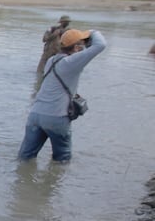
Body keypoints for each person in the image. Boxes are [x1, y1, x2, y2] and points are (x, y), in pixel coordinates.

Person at [18, 28, 107, 162]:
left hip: (35, 115)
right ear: (77, 48)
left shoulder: (51, 61)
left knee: (25, 158)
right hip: (57, 118)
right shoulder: (71, 63)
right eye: (81, 45)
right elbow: (100, 45)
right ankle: (56, 181)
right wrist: (93, 32)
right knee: (62, 160)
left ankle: (22, 180)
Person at [36, 15, 72, 88]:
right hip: (47, 54)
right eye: (65, 22)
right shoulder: (52, 29)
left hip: (59, 55)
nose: (67, 23)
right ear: (61, 22)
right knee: (40, 73)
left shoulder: (69, 32)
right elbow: (44, 39)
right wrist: (54, 35)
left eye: (68, 22)